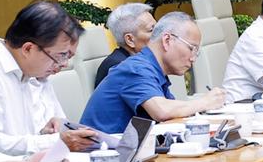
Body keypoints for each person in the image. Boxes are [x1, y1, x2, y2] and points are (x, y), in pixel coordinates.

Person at [0, 0, 100, 154]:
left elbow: (45, 131)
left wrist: (47, 133)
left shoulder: (36, 73)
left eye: (69, 56)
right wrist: (54, 141)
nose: (64, 64)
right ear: (28, 49)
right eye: (61, 55)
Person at [81, 13, 229, 134]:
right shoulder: (135, 69)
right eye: (191, 48)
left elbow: (173, 114)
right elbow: (162, 111)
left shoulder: (152, 68)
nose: (193, 58)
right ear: (167, 40)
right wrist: (205, 102)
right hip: (101, 156)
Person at [96, 2, 154, 87]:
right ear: (130, 40)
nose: (159, 34)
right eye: (151, 30)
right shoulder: (120, 67)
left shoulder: (141, 61)